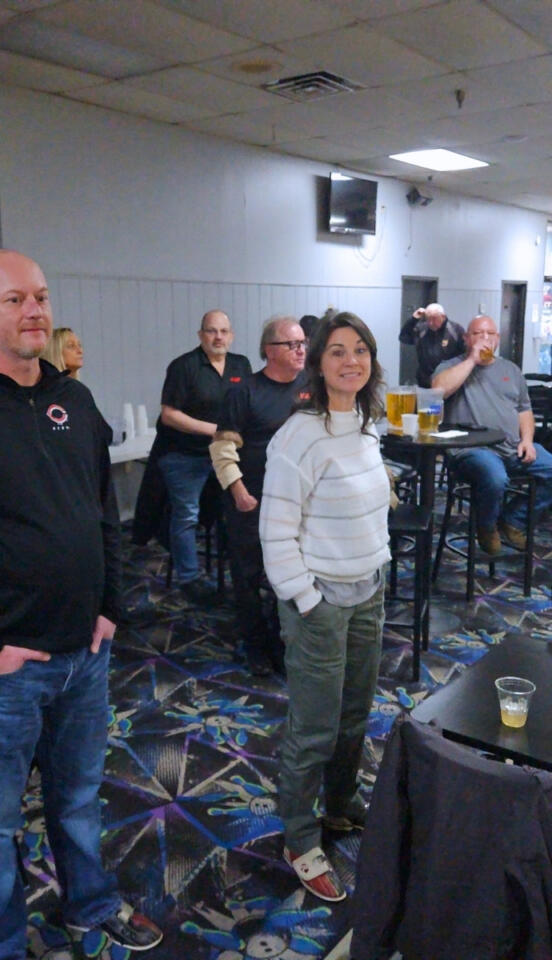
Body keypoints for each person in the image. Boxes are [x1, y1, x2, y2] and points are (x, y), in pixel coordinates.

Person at [0, 249, 163, 959]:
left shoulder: (73, 399)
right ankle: (2, 943)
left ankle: (90, 904)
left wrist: (110, 606)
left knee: (79, 798)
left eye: (41, 296)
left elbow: (105, 513)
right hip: (4, 666)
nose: (34, 311)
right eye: (14, 299)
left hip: (88, 651)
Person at [260, 311, 390, 903]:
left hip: (368, 592)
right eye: (337, 351)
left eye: (360, 350)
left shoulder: (367, 422)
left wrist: (378, 564)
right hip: (320, 604)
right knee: (313, 730)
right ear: (318, 363)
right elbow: (276, 533)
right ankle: (299, 836)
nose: (351, 361)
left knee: (355, 718)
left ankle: (339, 808)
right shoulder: (299, 435)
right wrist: (308, 601)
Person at [210, 315, 310, 677]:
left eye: (303, 344)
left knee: (291, 574)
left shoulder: (311, 387)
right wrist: (238, 491)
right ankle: (255, 646)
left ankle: (282, 641)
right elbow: (222, 449)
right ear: (269, 351)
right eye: (292, 344)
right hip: (251, 499)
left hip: (296, 501)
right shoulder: (244, 391)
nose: (300, 350)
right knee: (250, 576)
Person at [431, 314, 552, 555]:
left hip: (513, 447)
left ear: (498, 338)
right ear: (466, 338)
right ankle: (485, 526)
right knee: (495, 478)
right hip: (471, 451)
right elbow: (438, 390)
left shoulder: (511, 370)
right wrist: (472, 360)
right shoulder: (451, 366)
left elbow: (524, 410)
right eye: (477, 333)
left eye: (490, 334)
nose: (484, 338)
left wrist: (528, 440)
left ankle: (513, 520)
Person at [155, 310, 251, 602]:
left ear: (231, 335)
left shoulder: (241, 364)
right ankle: (189, 577)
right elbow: (169, 415)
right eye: (211, 331)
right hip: (185, 455)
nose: (218, 337)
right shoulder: (184, 366)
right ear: (201, 336)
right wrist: (216, 430)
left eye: (223, 331)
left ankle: (235, 569)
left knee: (235, 510)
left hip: (226, 455)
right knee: (187, 515)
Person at [398, 301, 465, 388]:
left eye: (434, 319)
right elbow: (404, 338)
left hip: (449, 380)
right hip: (425, 381)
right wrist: (414, 319)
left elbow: (464, 354)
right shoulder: (422, 329)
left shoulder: (455, 330)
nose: (430, 323)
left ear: (443, 317)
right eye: (428, 319)